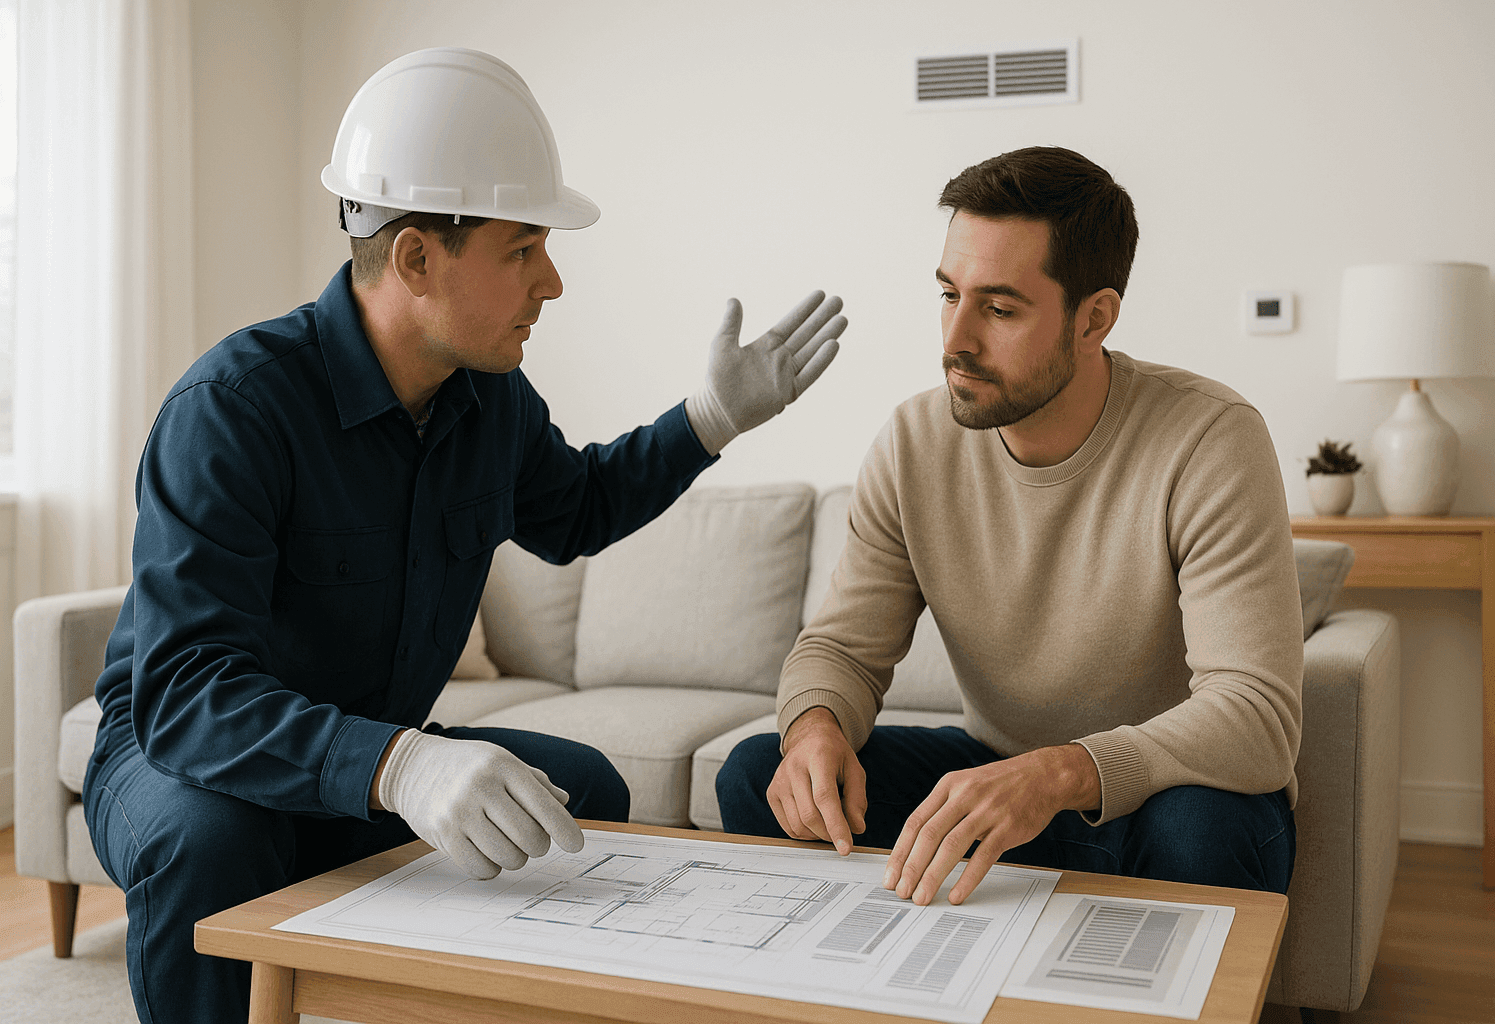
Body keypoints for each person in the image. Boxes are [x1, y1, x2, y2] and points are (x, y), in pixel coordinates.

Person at [81, 47, 847, 1024]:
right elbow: (187, 698)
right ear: (415, 258)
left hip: (367, 760)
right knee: (213, 842)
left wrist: (709, 419)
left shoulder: (490, 400)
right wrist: (401, 766)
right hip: (187, 760)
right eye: (522, 249)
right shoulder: (234, 410)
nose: (552, 282)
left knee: (580, 791)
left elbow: (576, 510)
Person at [717, 145, 1302, 910]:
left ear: (1093, 319)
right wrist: (814, 729)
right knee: (759, 774)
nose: (955, 340)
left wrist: (1059, 773)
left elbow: (1255, 715)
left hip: (1160, 798)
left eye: (998, 309)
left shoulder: (1210, 438)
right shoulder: (914, 441)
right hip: (997, 777)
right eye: (948, 295)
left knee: (1201, 832)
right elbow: (842, 649)